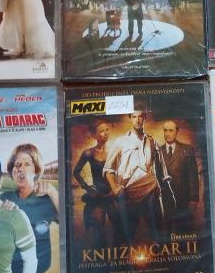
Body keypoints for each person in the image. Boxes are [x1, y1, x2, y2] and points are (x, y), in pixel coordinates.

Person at [103, 102, 173, 244]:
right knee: (123, 239)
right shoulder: (121, 141)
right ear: (130, 118)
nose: (137, 120)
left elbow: (162, 170)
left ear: (145, 118)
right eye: (134, 117)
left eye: (140, 116)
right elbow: (108, 170)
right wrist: (115, 188)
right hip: (129, 195)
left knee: (160, 237)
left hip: (151, 194)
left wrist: (166, 191)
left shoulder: (152, 142)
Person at [1, 144, 59, 273]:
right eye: (17, 165)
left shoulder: (47, 199)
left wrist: (53, 193)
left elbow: (69, 223)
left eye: (27, 164)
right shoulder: (3, 198)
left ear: (37, 170)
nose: (21, 169)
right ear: (11, 170)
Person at [72, 118, 116, 247]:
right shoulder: (89, 153)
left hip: (113, 196)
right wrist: (87, 188)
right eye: (101, 131)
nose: (105, 133)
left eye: (107, 130)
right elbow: (76, 172)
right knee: (99, 233)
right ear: (94, 135)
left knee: (121, 230)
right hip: (98, 197)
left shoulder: (114, 151)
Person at [160, 119, 199, 233]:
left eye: (171, 130)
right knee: (165, 234)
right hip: (164, 201)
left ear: (177, 131)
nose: (167, 133)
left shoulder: (187, 149)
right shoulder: (158, 151)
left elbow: (193, 176)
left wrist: (194, 199)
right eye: (165, 130)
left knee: (183, 232)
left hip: (183, 201)